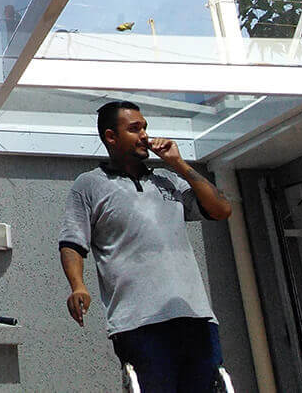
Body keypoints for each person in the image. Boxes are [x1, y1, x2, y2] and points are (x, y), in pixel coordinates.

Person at [58, 100, 233, 392]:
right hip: (138, 323)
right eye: (135, 129)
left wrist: (178, 163)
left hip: (196, 317)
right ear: (111, 137)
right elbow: (71, 242)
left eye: (145, 128)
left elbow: (221, 210)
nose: (144, 136)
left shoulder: (169, 180)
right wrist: (78, 286)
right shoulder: (88, 185)